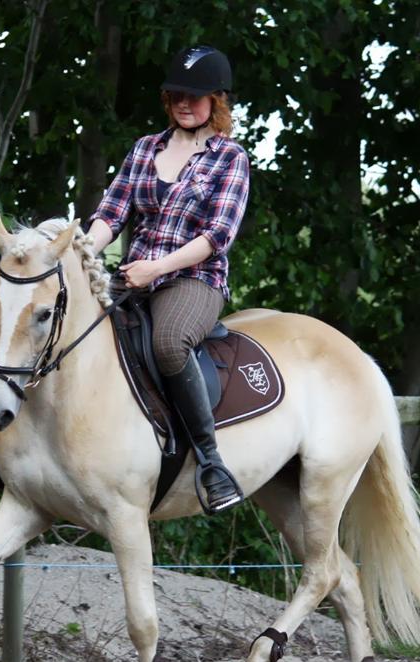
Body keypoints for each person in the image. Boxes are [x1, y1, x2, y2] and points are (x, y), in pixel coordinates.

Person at [86, 44, 250, 514]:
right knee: (65, 324)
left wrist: (157, 268)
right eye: (177, 93)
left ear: (217, 101)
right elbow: (111, 213)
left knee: (170, 343)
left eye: (195, 96)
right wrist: (76, 252)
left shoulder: (229, 158)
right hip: (135, 276)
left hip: (195, 279)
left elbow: (218, 235)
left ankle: (211, 462)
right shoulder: (145, 149)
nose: (184, 102)